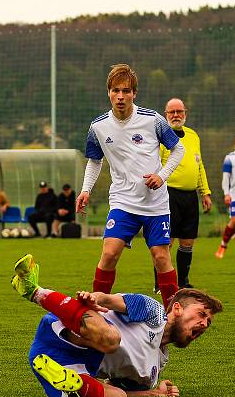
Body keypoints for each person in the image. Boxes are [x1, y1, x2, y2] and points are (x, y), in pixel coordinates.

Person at [11, 254, 222, 397]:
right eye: (201, 314)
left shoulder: (157, 366)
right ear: (177, 308)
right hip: (66, 331)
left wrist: (155, 393)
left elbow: (119, 388)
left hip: (69, 365)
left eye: (208, 323)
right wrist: (93, 298)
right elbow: (108, 300)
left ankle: (70, 382)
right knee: (112, 340)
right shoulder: (153, 311)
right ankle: (35, 291)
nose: (204, 325)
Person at [75, 64, 185, 310]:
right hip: (123, 201)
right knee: (109, 254)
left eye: (126, 91)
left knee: (161, 256)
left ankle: (172, 314)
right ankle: (94, 310)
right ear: (109, 93)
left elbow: (178, 148)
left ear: (134, 93)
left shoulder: (152, 120)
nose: (121, 96)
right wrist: (85, 190)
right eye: (116, 91)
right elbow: (94, 160)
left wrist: (162, 175)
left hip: (156, 204)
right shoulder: (98, 127)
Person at [157, 98, 212, 290]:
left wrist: (205, 192)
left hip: (190, 197)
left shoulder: (193, 136)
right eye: (171, 112)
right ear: (166, 115)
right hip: (167, 194)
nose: (175, 115)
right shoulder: (161, 136)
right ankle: (160, 282)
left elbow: (199, 165)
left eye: (179, 111)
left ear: (185, 114)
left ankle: (183, 281)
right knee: (166, 241)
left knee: (188, 241)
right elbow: (155, 165)